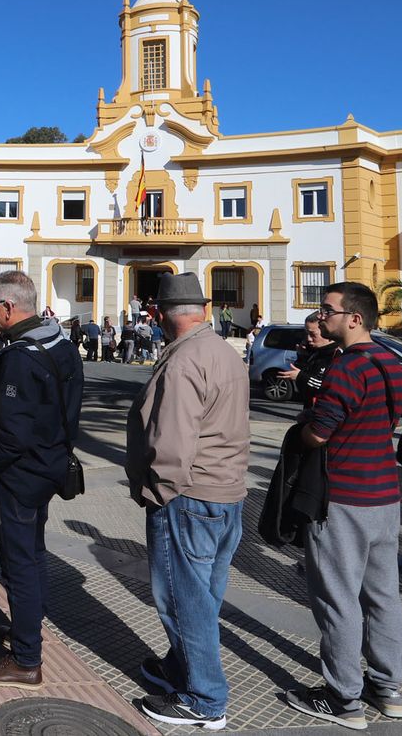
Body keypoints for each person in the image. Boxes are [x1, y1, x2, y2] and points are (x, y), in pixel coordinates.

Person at [281, 282, 402, 728]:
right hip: (384, 496)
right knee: (382, 596)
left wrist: (300, 433)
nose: (322, 317)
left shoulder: (346, 368)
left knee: (338, 600)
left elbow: (320, 433)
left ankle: (343, 698)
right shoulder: (393, 361)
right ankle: (388, 687)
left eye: (328, 310)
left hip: (343, 497)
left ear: (354, 318)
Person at [127, 273, 249, 730]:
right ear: (202, 309)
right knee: (204, 593)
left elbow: (172, 442)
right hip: (225, 493)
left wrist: (158, 494)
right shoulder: (223, 351)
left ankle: (205, 698)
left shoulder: (183, 362)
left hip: (188, 496)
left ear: (160, 314)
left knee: (182, 599)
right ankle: (182, 669)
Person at [0, 270, 82, 688]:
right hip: (49, 467)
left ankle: (25, 659)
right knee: (33, 556)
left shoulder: (19, 357)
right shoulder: (61, 344)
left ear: (9, 308)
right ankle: (26, 631)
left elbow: (10, 435)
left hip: (18, 477)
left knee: (18, 564)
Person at [281, 312, 337, 405]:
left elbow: (329, 389)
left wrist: (301, 377)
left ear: (326, 331)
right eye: (306, 333)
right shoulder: (314, 352)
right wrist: (302, 357)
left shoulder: (338, 355)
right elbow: (303, 388)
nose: (309, 339)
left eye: (313, 334)